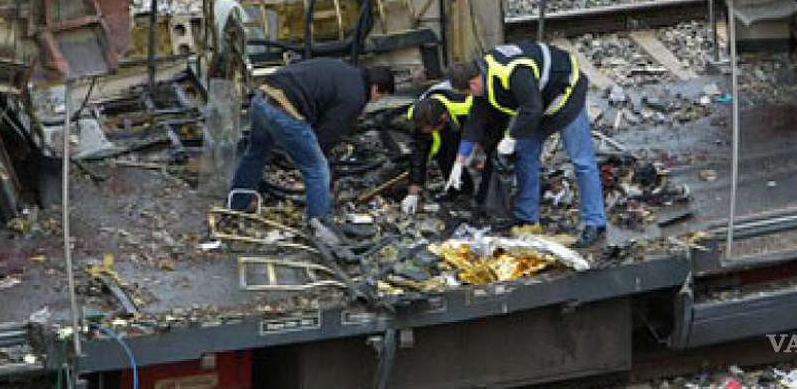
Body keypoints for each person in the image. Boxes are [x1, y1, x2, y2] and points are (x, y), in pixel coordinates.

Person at [447, 42, 608, 247]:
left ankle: (595, 222)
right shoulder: (483, 83)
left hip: (565, 97)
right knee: (524, 155)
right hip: (535, 107)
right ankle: (527, 218)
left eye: (469, 92)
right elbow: (475, 120)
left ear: (474, 82)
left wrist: (510, 137)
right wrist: (460, 161)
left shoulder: (513, 71)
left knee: (582, 161)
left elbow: (532, 107)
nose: (470, 97)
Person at [228, 58, 395, 219]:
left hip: (263, 97)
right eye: (381, 96)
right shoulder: (356, 96)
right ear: (375, 89)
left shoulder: (344, 70)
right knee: (317, 170)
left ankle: (236, 206)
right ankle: (320, 224)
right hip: (284, 109)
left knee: (256, 153)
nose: (376, 100)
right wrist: (321, 157)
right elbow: (328, 133)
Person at [401, 83, 499, 216]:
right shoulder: (417, 115)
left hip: (483, 119)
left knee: (494, 158)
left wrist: (479, 147)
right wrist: (414, 188)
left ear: (444, 117)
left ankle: (487, 198)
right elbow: (419, 152)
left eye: (433, 130)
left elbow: (489, 131)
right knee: (444, 154)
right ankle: (459, 192)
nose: (431, 133)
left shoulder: (465, 106)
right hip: (450, 125)